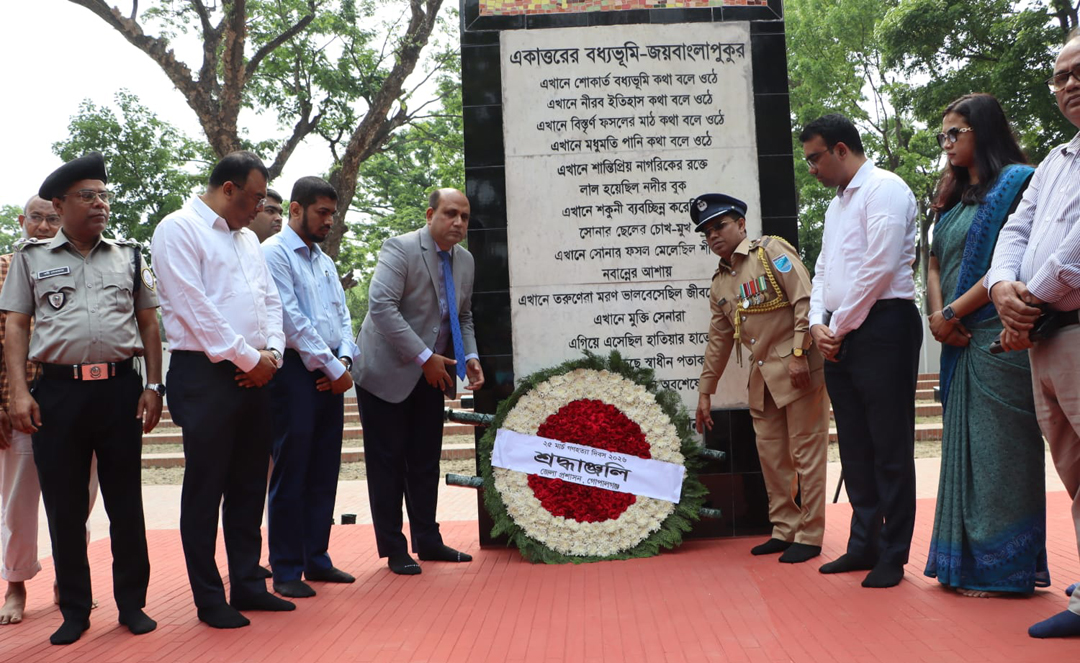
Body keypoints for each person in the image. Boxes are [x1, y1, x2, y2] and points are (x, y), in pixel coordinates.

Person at [0, 153, 162, 645]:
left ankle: (132, 604)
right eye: (87, 196)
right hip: (58, 393)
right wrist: (20, 394)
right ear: (60, 203)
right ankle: (74, 609)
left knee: (125, 504)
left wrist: (154, 386)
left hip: (119, 392)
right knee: (65, 508)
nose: (100, 204)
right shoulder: (30, 260)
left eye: (104, 196)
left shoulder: (130, 256)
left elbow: (150, 323)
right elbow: (15, 327)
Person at [151, 151, 293, 629]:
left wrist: (271, 351)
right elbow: (194, 307)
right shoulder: (178, 229)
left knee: (251, 483)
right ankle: (209, 597)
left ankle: (249, 584)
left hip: (256, 372)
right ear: (228, 189)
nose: (259, 209)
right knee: (206, 487)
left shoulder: (248, 239)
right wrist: (250, 359)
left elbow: (269, 299)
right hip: (204, 375)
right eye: (254, 198)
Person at [923, 94, 1048, 598]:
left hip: (998, 338)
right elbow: (932, 261)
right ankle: (966, 566)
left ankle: (1007, 571)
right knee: (966, 457)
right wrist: (938, 315)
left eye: (956, 133)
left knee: (1001, 457)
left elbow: (1007, 262)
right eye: (943, 136)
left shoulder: (1019, 184)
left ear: (985, 131)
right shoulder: (950, 195)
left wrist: (953, 312)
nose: (947, 144)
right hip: (953, 337)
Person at [800, 113, 921, 589]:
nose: (811, 167)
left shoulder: (884, 188)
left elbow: (880, 266)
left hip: (884, 327)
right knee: (854, 445)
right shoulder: (835, 206)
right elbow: (824, 269)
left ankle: (894, 553)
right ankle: (862, 544)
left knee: (889, 445)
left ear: (842, 149)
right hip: (840, 333)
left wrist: (839, 326)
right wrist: (816, 323)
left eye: (815, 157)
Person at [986, 33, 1080, 638]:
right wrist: (1002, 288)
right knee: (1074, 471)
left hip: (1067, 326)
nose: (1068, 84)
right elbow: (1016, 231)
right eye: (1060, 76)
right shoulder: (1056, 160)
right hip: (1045, 336)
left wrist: (1029, 299)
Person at [352, 187, 484, 575]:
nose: (458, 222)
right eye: (449, 214)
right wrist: (425, 357)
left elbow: (463, 317)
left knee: (425, 461)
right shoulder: (400, 248)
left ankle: (428, 539)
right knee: (388, 461)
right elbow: (381, 308)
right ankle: (394, 548)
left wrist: (469, 357)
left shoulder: (466, 261)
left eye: (463, 216)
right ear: (430, 215)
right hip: (385, 373)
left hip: (435, 374)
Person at [692, 193, 830, 564]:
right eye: (706, 232)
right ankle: (784, 529)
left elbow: (805, 299)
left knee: (806, 453)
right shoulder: (721, 283)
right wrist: (706, 392)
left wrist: (802, 352)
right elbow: (718, 341)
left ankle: (811, 534)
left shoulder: (770, 253)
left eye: (719, 225)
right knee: (772, 457)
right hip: (763, 376)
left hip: (797, 368)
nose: (713, 235)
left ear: (741, 224)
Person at [0, 196, 101, 626]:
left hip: (76, 399)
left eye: (52, 219)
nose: (43, 226)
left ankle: (69, 580)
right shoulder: (5, 267)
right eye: (36, 218)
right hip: (18, 400)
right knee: (18, 501)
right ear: (21, 221)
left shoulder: (81, 262)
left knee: (78, 499)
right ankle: (16, 584)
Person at [262, 176, 358, 598]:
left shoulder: (324, 261)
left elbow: (344, 317)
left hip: (331, 372)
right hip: (294, 374)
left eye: (332, 214)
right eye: (322, 212)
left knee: (323, 469)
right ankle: (285, 568)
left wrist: (345, 360)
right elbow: (290, 321)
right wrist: (331, 366)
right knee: (291, 470)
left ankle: (316, 558)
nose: (328, 222)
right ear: (296, 210)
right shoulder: (274, 253)